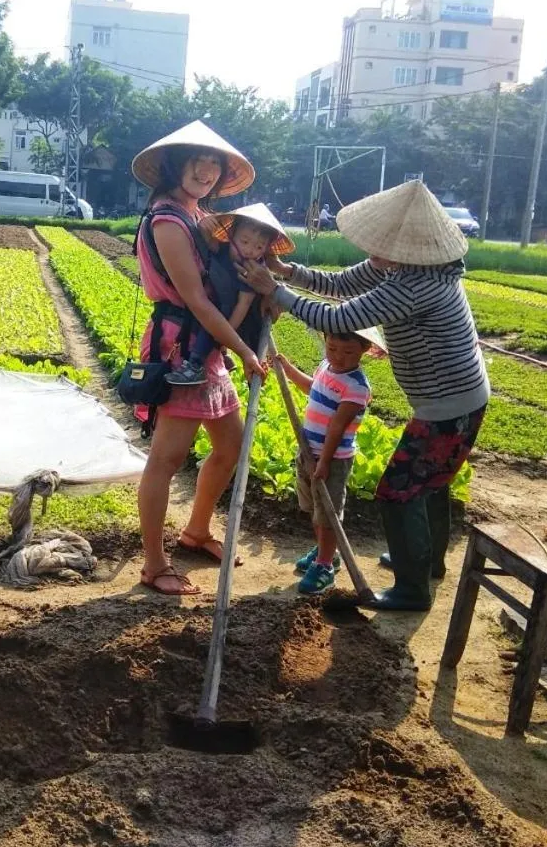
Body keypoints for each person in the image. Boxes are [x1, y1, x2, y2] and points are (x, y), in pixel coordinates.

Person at [243, 179, 488, 611]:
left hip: (450, 406)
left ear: (410, 247)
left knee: (398, 493)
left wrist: (276, 292)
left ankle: (413, 590)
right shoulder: (397, 266)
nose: (373, 252)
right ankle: (425, 561)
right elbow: (341, 285)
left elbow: (340, 317)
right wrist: (289, 274)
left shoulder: (416, 284)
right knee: (430, 485)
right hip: (454, 398)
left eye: (382, 244)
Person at [129, 120, 266, 596]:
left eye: (215, 164)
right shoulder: (167, 220)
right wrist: (245, 349)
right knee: (166, 459)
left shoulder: (198, 216)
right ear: (174, 164)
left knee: (229, 446)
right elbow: (196, 298)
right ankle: (153, 564)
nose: (206, 170)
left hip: (207, 349)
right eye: (197, 160)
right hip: (181, 349)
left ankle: (197, 531)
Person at [273, 329, 377, 595]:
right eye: (332, 349)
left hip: (332, 458)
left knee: (328, 512)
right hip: (309, 451)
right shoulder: (325, 367)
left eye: (348, 352)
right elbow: (312, 387)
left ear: (364, 350)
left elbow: (337, 427)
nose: (338, 357)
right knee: (313, 506)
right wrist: (286, 368)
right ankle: (326, 551)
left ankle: (324, 566)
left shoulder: (357, 387)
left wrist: (324, 462)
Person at [166, 203, 293, 386]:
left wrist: (226, 335)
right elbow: (206, 239)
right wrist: (204, 225)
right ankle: (223, 356)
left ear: (265, 250)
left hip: (233, 313)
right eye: (245, 242)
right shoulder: (223, 249)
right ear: (232, 236)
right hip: (212, 301)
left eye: (259, 247)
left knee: (213, 332)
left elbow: (244, 304)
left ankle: (195, 366)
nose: (250, 250)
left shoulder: (254, 272)